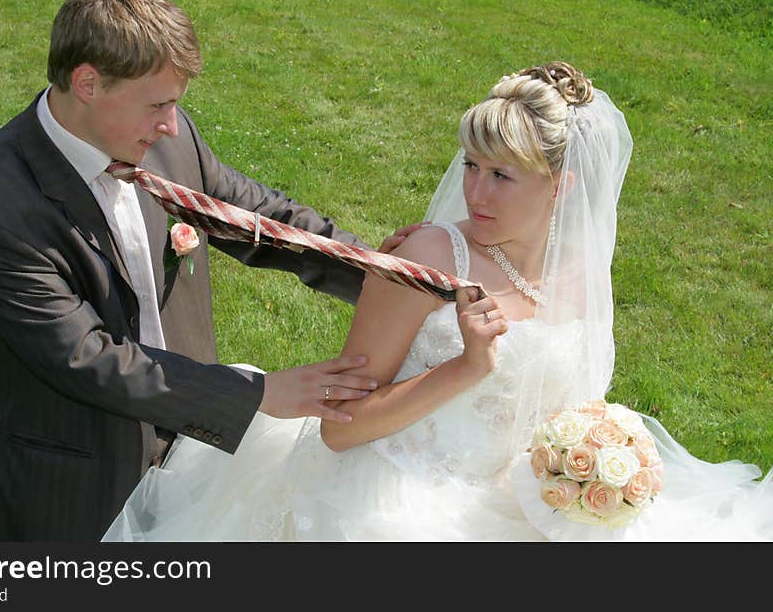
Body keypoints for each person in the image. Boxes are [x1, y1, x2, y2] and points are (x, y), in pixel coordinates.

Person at [103, 61, 773, 541]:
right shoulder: (428, 258)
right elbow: (340, 428)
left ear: (561, 188)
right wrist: (466, 367)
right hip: (393, 499)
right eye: (471, 166)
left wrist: (590, 460)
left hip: (529, 502)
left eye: (502, 176)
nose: (475, 193)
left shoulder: (579, 274)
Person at [0, 0, 424, 541]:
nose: (171, 123)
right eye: (159, 104)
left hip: (194, 447)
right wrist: (260, 395)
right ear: (88, 83)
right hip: (77, 472)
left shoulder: (162, 138)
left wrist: (388, 279)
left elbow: (257, 217)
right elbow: (84, 357)